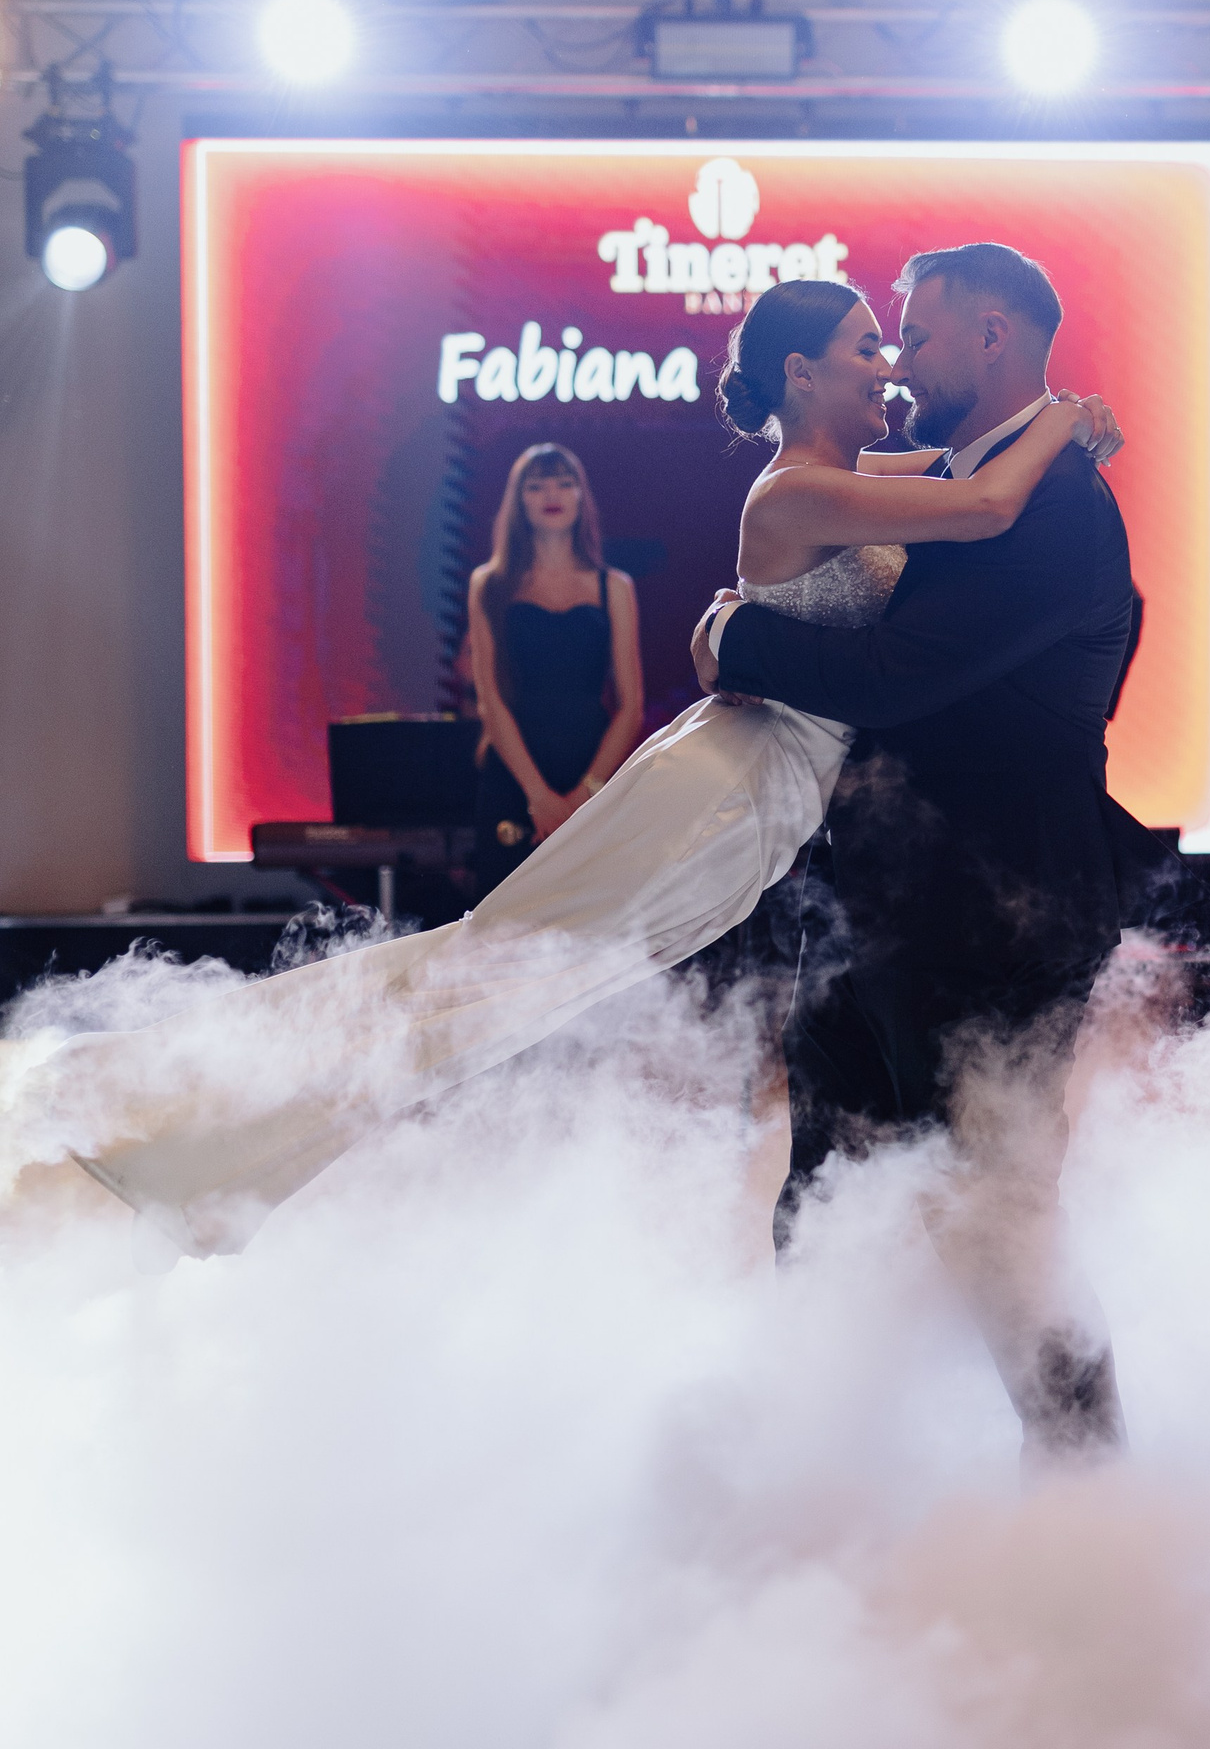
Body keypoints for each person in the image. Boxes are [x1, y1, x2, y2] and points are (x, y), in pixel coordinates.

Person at [14, 281, 1115, 1268]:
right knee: (491, 981)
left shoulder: (847, 477)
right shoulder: (793, 494)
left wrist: (1064, 423)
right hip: (725, 794)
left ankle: (196, 1141)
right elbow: (985, 503)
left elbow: (974, 472)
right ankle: (172, 1132)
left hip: (755, 799)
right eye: (868, 345)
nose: (889, 366)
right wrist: (1067, 416)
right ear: (800, 371)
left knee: (495, 980)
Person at [693, 242, 1137, 1471]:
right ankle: (817, 1469)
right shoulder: (966, 471)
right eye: (877, 343)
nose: (896, 364)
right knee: (825, 1194)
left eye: (915, 335)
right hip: (879, 910)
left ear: (992, 335)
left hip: (1001, 919)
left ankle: (1090, 1491)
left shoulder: (1054, 505)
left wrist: (732, 637)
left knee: (1001, 1223)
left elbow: (896, 677)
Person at [468, 444, 645, 897]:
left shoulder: (614, 587)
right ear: (519, 500)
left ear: (581, 496)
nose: (552, 494)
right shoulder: (489, 584)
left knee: (591, 916)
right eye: (537, 485)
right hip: (515, 770)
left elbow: (631, 706)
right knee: (505, 917)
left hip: (591, 764)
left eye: (565, 483)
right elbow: (490, 700)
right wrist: (539, 797)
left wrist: (585, 793)